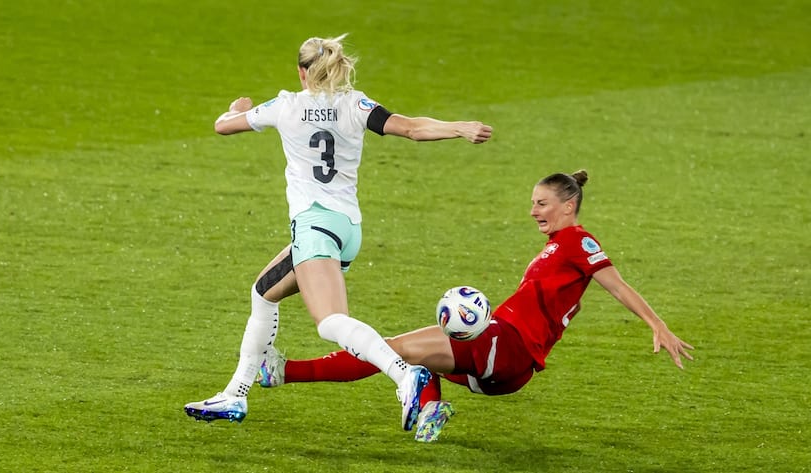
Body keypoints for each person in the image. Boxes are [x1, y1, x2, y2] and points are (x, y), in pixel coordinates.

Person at [183, 34, 493, 431]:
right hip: (346, 229)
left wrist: (233, 109)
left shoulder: (285, 106)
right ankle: (235, 394)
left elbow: (223, 127)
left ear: (301, 72)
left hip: (314, 226)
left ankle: (405, 376)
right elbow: (413, 128)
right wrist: (459, 127)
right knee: (263, 292)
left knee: (330, 321)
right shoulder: (355, 105)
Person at [253, 170, 695, 442]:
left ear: (569, 204)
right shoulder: (558, 244)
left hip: (508, 344)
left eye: (541, 203)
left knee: (393, 350)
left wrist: (656, 323)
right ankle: (428, 409)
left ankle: (281, 372)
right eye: (532, 203)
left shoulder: (579, 242)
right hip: (507, 367)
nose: (533, 211)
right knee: (412, 363)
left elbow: (616, 285)